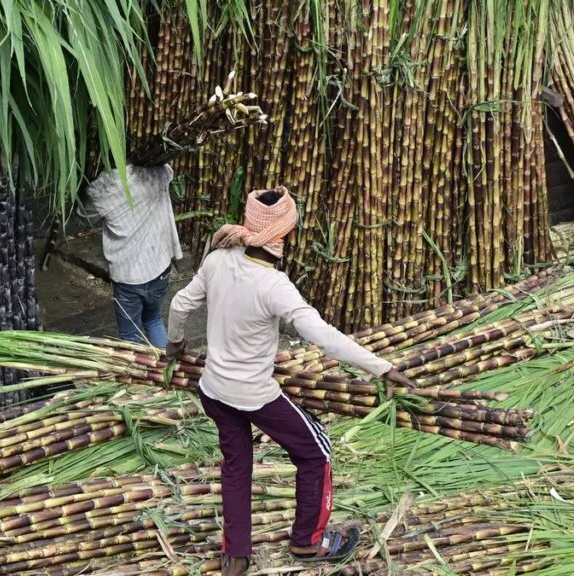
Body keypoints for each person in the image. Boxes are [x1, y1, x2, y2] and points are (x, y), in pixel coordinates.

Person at [165, 186, 416, 575]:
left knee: (236, 466)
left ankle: (236, 555)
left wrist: (176, 344)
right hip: (254, 395)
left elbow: (180, 304)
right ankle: (307, 544)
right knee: (317, 452)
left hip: (214, 390)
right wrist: (381, 367)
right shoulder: (274, 285)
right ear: (285, 236)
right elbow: (323, 336)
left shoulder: (218, 261)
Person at [82, 164, 181, 347]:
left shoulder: (103, 187)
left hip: (128, 278)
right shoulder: (156, 171)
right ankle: (166, 370)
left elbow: (83, 215)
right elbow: (170, 171)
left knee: (130, 338)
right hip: (160, 267)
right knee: (154, 321)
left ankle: (139, 375)